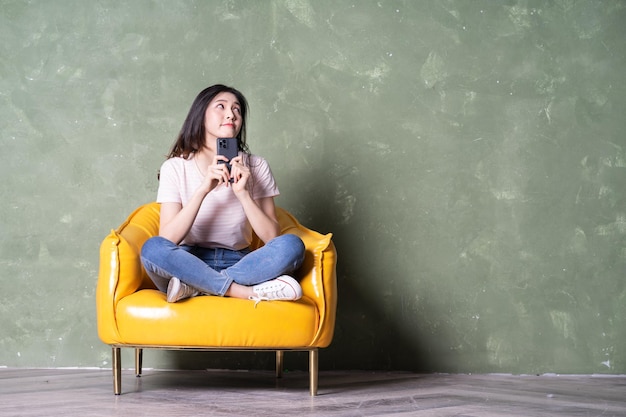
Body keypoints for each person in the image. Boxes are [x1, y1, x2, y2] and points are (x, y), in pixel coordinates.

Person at [140, 84, 305, 305]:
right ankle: (243, 293)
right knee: (152, 248)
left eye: (237, 110)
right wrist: (202, 190)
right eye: (221, 106)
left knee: (292, 245)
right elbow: (167, 239)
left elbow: (272, 238)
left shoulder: (256, 166)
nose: (231, 114)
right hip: (186, 262)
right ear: (201, 116)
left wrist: (243, 194)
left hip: (241, 263)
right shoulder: (175, 167)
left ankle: (197, 287)